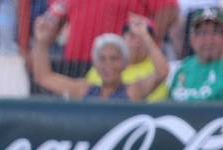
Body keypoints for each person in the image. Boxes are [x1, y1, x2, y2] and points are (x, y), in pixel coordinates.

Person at [42, 0, 178, 77]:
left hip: (123, 67)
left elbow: (169, 11)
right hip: (77, 65)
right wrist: (39, 46)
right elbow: (56, 12)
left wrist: (144, 45)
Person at [32, 13, 169, 101]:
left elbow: (162, 72)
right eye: (102, 59)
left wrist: (145, 36)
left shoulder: (133, 92)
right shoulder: (83, 90)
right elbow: (44, 77)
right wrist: (42, 42)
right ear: (96, 65)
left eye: (114, 58)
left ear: (124, 64)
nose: (107, 64)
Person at [86, 16, 170, 102]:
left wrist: (145, 35)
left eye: (142, 37)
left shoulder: (155, 66)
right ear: (123, 38)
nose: (137, 42)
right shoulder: (98, 68)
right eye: (132, 36)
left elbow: (162, 73)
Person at [170, 7, 223, 102]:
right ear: (192, 39)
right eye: (202, 33)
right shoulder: (183, 69)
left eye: (215, 32)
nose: (209, 40)